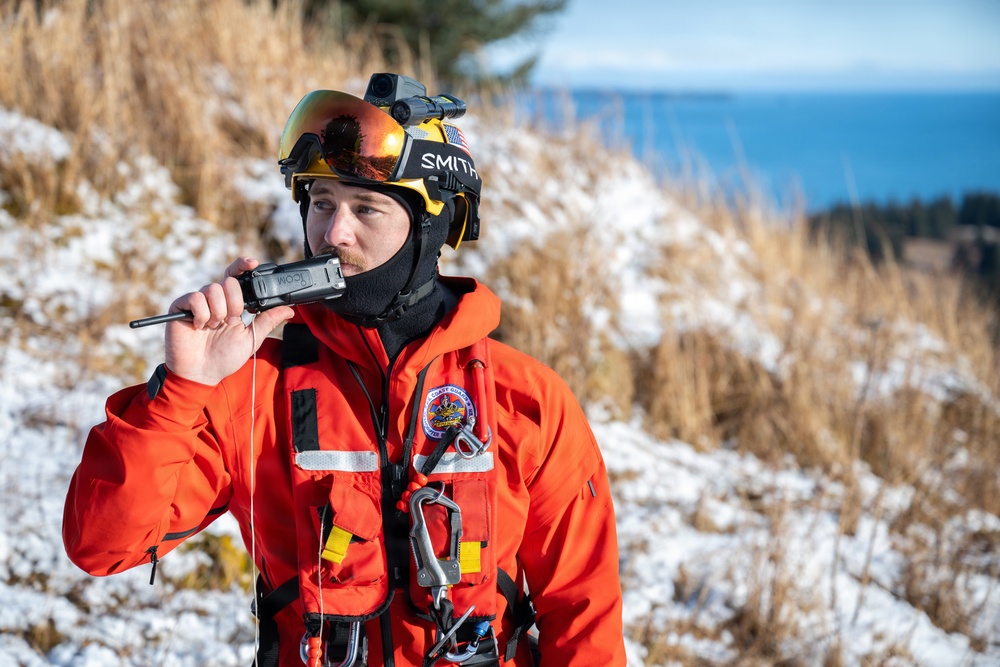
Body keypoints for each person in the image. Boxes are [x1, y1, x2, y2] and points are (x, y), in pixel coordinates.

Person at [63, 74, 626, 667]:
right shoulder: (254, 390)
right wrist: (183, 390)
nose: (333, 234)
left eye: (367, 208)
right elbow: (101, 547)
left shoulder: (525, 398)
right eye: (322, 203)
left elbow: (584, 611)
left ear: (431, 229)